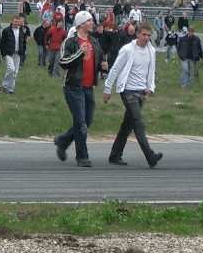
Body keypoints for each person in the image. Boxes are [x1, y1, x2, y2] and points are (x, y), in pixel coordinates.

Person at [104, 22, 162, 168]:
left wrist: (150, 87)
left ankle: (115, 155)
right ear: (137, 34)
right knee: (138, 121)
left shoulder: (151, 51)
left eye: (149, 35)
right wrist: (107, 88)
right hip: (128, 90)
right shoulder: (128, 50)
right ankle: (150, 156)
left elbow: (151, 71)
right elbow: (115, 68)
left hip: (141, 91)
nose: (146, 38)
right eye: (144, 35)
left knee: (127, 125)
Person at [54, 11, 106, 167]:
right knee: (81, 123)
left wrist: (103, 67)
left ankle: (62, 141)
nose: (92, 23)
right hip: (73, 87)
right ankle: (82, 157)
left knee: (86, 121)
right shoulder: (70, 42)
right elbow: (63, 62)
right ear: (81, 24)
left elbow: (100, 58)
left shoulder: (94, 41)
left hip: (89, 87)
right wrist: (79, 53)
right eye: (89, 21)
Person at [0, 14, 30, 94]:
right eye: (15, 21)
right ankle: (5, 85)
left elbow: (23, 42)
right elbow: (2, 43)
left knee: (15, 72)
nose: (17, 23)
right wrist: (3, 54)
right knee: (11, 69)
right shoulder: (6, 30)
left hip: (18, 54)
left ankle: (11, 89)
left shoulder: (21, 31)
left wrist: (22, 52)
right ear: (12, 21)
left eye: (18, 22)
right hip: (9, 53)